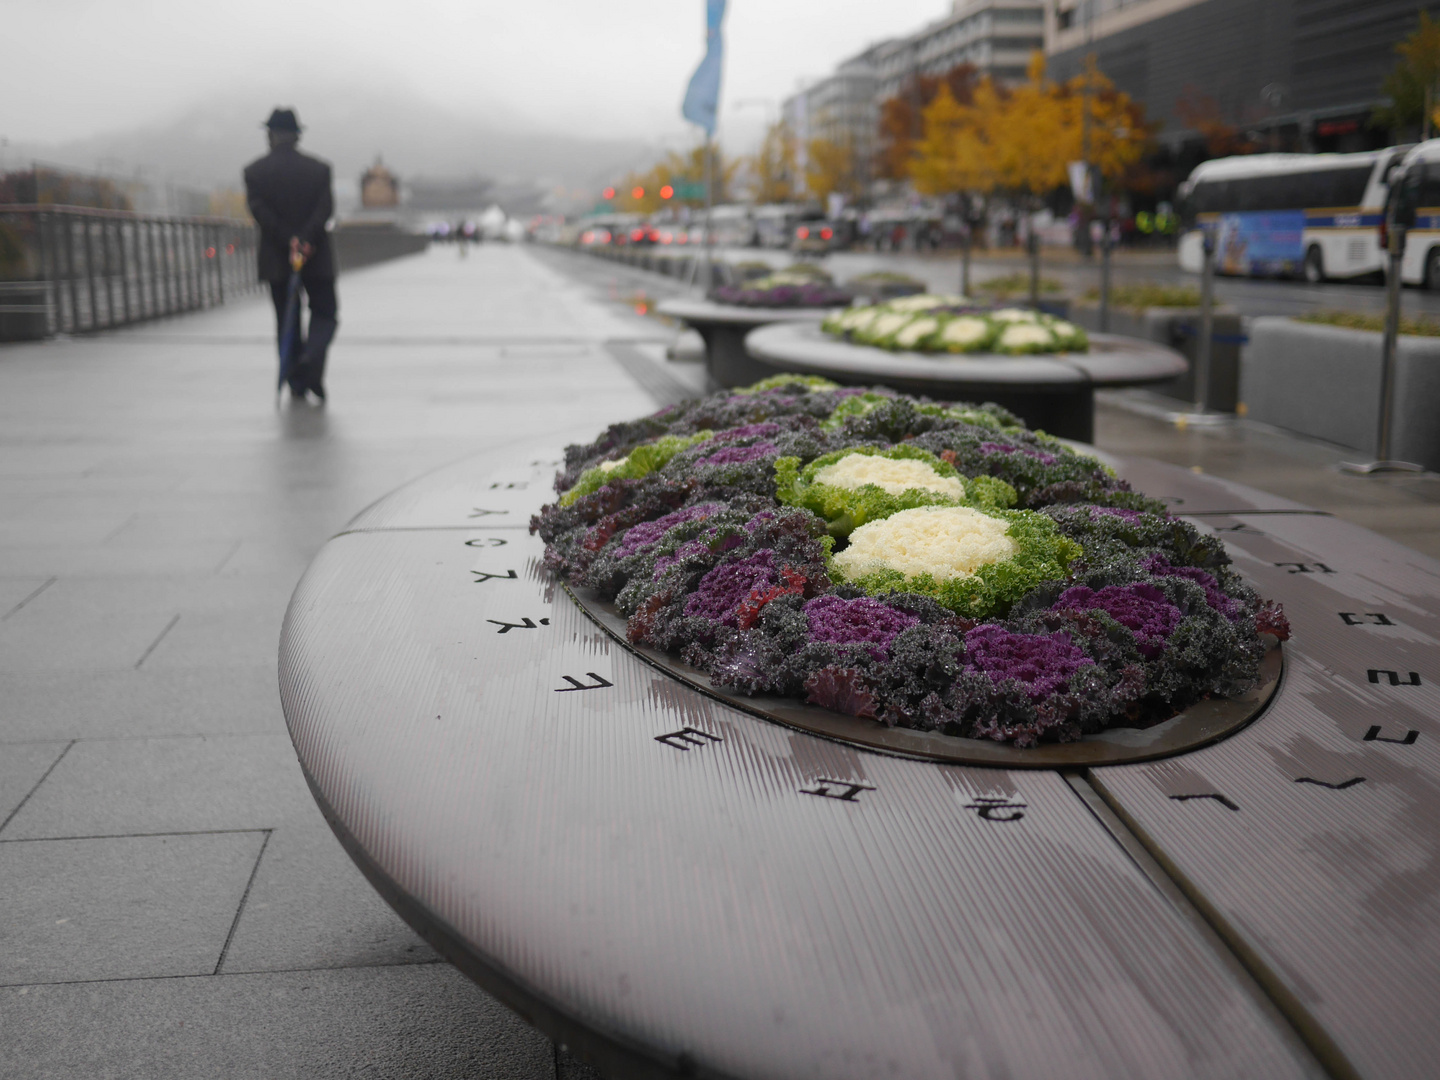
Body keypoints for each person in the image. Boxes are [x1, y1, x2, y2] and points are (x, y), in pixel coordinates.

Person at [243, 108, 337, 402]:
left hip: (277, 258)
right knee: (325, 313)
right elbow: (325, 210)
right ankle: (313, 359)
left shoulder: (254, 172)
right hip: (317, 255)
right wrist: (306, 240)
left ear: (270, 135)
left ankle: (297, 380)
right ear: (297, 135)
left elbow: (261, 213)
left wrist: (290, 241)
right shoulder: (320, 169)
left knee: (287, 319)